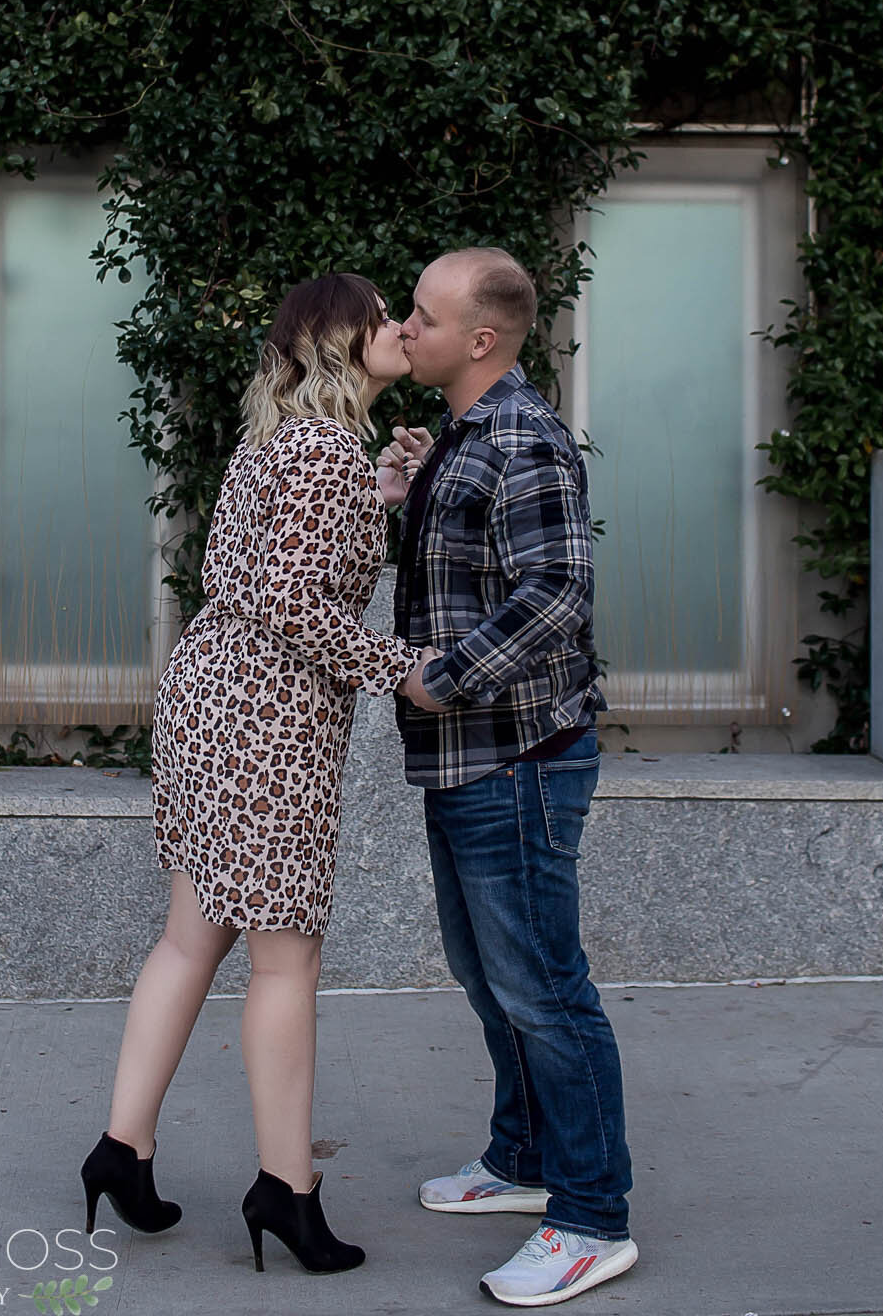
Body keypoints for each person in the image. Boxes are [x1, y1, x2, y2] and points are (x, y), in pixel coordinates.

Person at [81, 273, 427, 1276]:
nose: (401, 327)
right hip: (265, 716)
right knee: (286, 961)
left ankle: (122, 1148)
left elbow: (277, 566)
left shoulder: (287, 438)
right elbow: (293, 600)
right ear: (345, 341)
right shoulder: (325, 446)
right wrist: (398, 667)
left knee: (191, 936)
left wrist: (383, 496)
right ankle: (286, 1188)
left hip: (212, 694)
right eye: (384, 316)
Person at [387, 247, 637, 1307]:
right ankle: (523, 1155)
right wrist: (408, 489)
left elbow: (558, 591)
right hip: (468, 757)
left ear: (479, 338)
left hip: (516, 755)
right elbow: (470, 568)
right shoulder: (467, 434)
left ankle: (590, 1217)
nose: (405, 326)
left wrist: (444, 679)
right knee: (493, 976)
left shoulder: (523, 433)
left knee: (546, 988)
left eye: (423, 314)